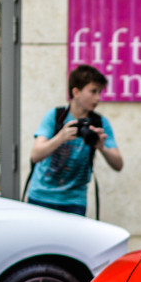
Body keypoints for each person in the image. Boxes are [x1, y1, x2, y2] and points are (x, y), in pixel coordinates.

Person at [26, 65, 124, 215]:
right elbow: (36, 155)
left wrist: (101, 147)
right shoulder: (55, 116)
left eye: (99, 92)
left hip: (74, 200)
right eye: (93, 91)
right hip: (42, 196)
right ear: (76, 92)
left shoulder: (100, 122)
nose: (98, 98)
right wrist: (60, 137)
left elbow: (118, 164)